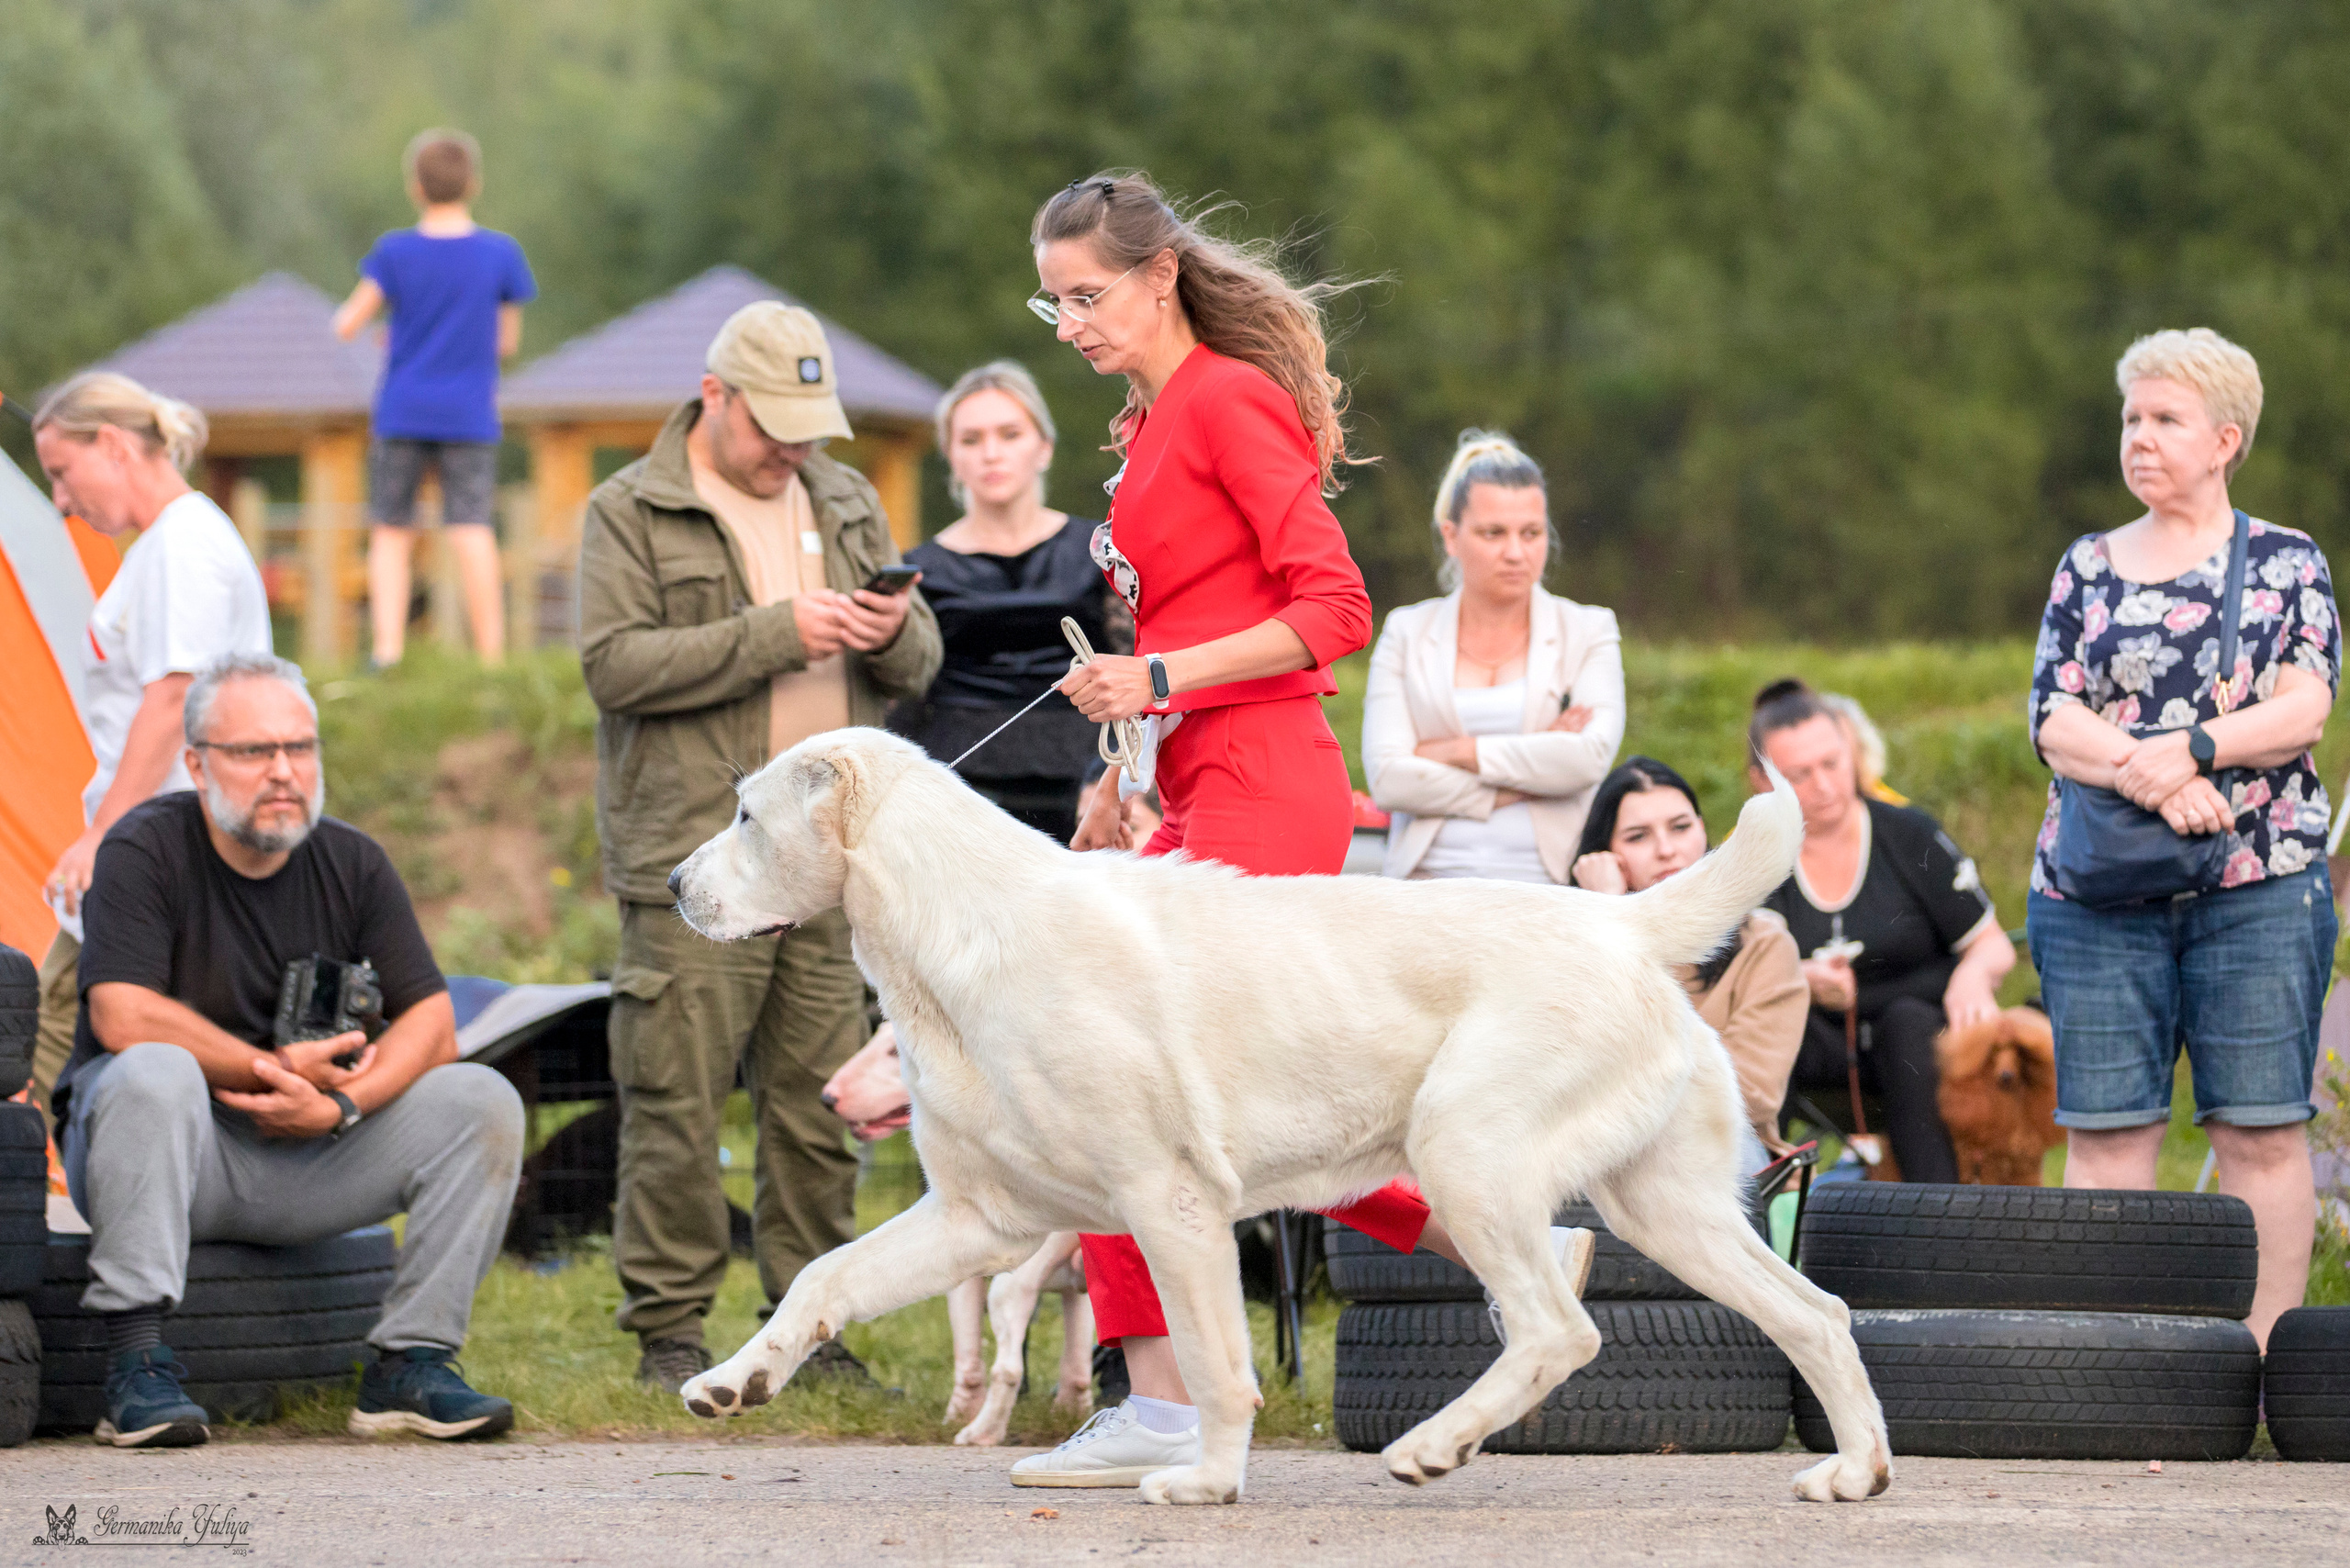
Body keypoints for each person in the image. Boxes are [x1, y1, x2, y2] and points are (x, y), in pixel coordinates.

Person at [1015, 171, 1452, 1487]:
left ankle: (1162, 1400)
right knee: (1165, 1095)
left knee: (1114, 1066)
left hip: (1271, 782)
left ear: (1158, 278)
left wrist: (1153, 679)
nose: (1074, 322)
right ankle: (1493, 1238)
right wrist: (1133, 751)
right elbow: (1194, 620)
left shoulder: (1226, 401)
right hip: (1199, 781)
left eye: (1087, 296)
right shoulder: (1145, 427)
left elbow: (1337, 607)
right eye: (1052, 307)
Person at [576, 300, 941, 1394]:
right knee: (675, 1095)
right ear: (715, 395)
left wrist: (890, 630)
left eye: (809, 424)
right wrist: (779, 632)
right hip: (695, 860)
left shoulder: (843, 493)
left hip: (830, 868)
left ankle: (812, 1329)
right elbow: (613, 666)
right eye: (773, 422)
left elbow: (918, 660)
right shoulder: (628, 508)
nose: (793, 446)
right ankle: (671, 1334)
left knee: (819, 1103)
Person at [51, 654, 522, 1449]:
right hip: (176, 1158)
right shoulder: (142, 851)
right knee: (152, 1069)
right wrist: (269, 1071)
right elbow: (122, 1014)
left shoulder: (353, 861)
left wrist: (339, 1104)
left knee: (483, 1100)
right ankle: (134, 1368)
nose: (283, 772)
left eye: (300, 749)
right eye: (254, 752)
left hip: (313, 1153)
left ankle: (411, 1362)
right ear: (197, 764)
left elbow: (433, 1022)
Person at [2027, 328, 2336, 1350]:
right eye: (2131, 419)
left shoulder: (2287, 561)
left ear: (2225, 438)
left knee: (2258, 1130)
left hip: (2259, 884)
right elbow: (2051, 720)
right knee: (2108, 1133)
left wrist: (2191, 747)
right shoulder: (2085, 565)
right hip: (2096, 888)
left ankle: (2264, 1363)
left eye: (2166, 420)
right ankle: (2113, 1365)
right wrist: (2155, 777)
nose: (2141, 439)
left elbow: (2304, 708)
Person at [28, 373, 272, 1136]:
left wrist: (107, 835)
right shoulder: (170, 545)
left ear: (110, 443)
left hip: (163, 843)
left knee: (48, 1034)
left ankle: (69, 1214)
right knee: (52, 1031)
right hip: (158, 843)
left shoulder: (183, 547)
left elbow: (173, 702)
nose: (62, 503)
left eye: (62, 474)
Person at [1750, 678, 2015, 1183]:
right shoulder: (1755, 860)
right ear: (1764, 783)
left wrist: (1974, 977)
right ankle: (1760, 1211)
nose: (1824, 785)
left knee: (1908, 1026)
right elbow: (1735, 973)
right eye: (1799, 775)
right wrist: (1800, 975)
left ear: (1852, 753)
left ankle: (1935, 1215)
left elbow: (1991, 945)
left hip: (1916, 1042)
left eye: (1832, 763)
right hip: (1814, 1050)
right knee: (1767, 1026)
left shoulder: (1908, 832)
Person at [1362, 430, 1625, 881]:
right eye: (1493, 533)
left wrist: (1456, 750)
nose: (1515, 553)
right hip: (1425, 888)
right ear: (1451, 536)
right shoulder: (1407, 631)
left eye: (1531, 533)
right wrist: (1522, 779)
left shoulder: (1588, 629)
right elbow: (1387, 779)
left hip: (1550, 889)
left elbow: (1587, 759)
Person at [885, 361, 1125, 842]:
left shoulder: (1102, 549)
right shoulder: (916, 569)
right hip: (958, 791)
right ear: (950, 455)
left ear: (1044, 447)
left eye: (1010, 434)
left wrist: (1119, 777)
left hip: (1088, 781)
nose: (991, 453)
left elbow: (1136, 668)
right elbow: (899, 693)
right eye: (971, 439)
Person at [332, 128, 536, 667]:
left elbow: (348, 323)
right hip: (469, 412)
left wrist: (396, 334)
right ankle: (492, 656)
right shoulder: (501, 255)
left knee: (392, 532)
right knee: (471, 529)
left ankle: (388, 652)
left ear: (415, 188)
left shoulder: (394, 252)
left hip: (403, 408)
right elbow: (507, 342)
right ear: (473, 183)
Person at [1572, 758, 1809, 1153]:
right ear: (1605, 855)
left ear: (1703, 832)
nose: (1667, 850)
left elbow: (1749, 1096)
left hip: (1711, 1145)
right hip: (1586, 1146)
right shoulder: (1573, 943)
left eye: (1680, 827)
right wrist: (1608, 919)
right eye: (1638, 836)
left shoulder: (1763, 945)